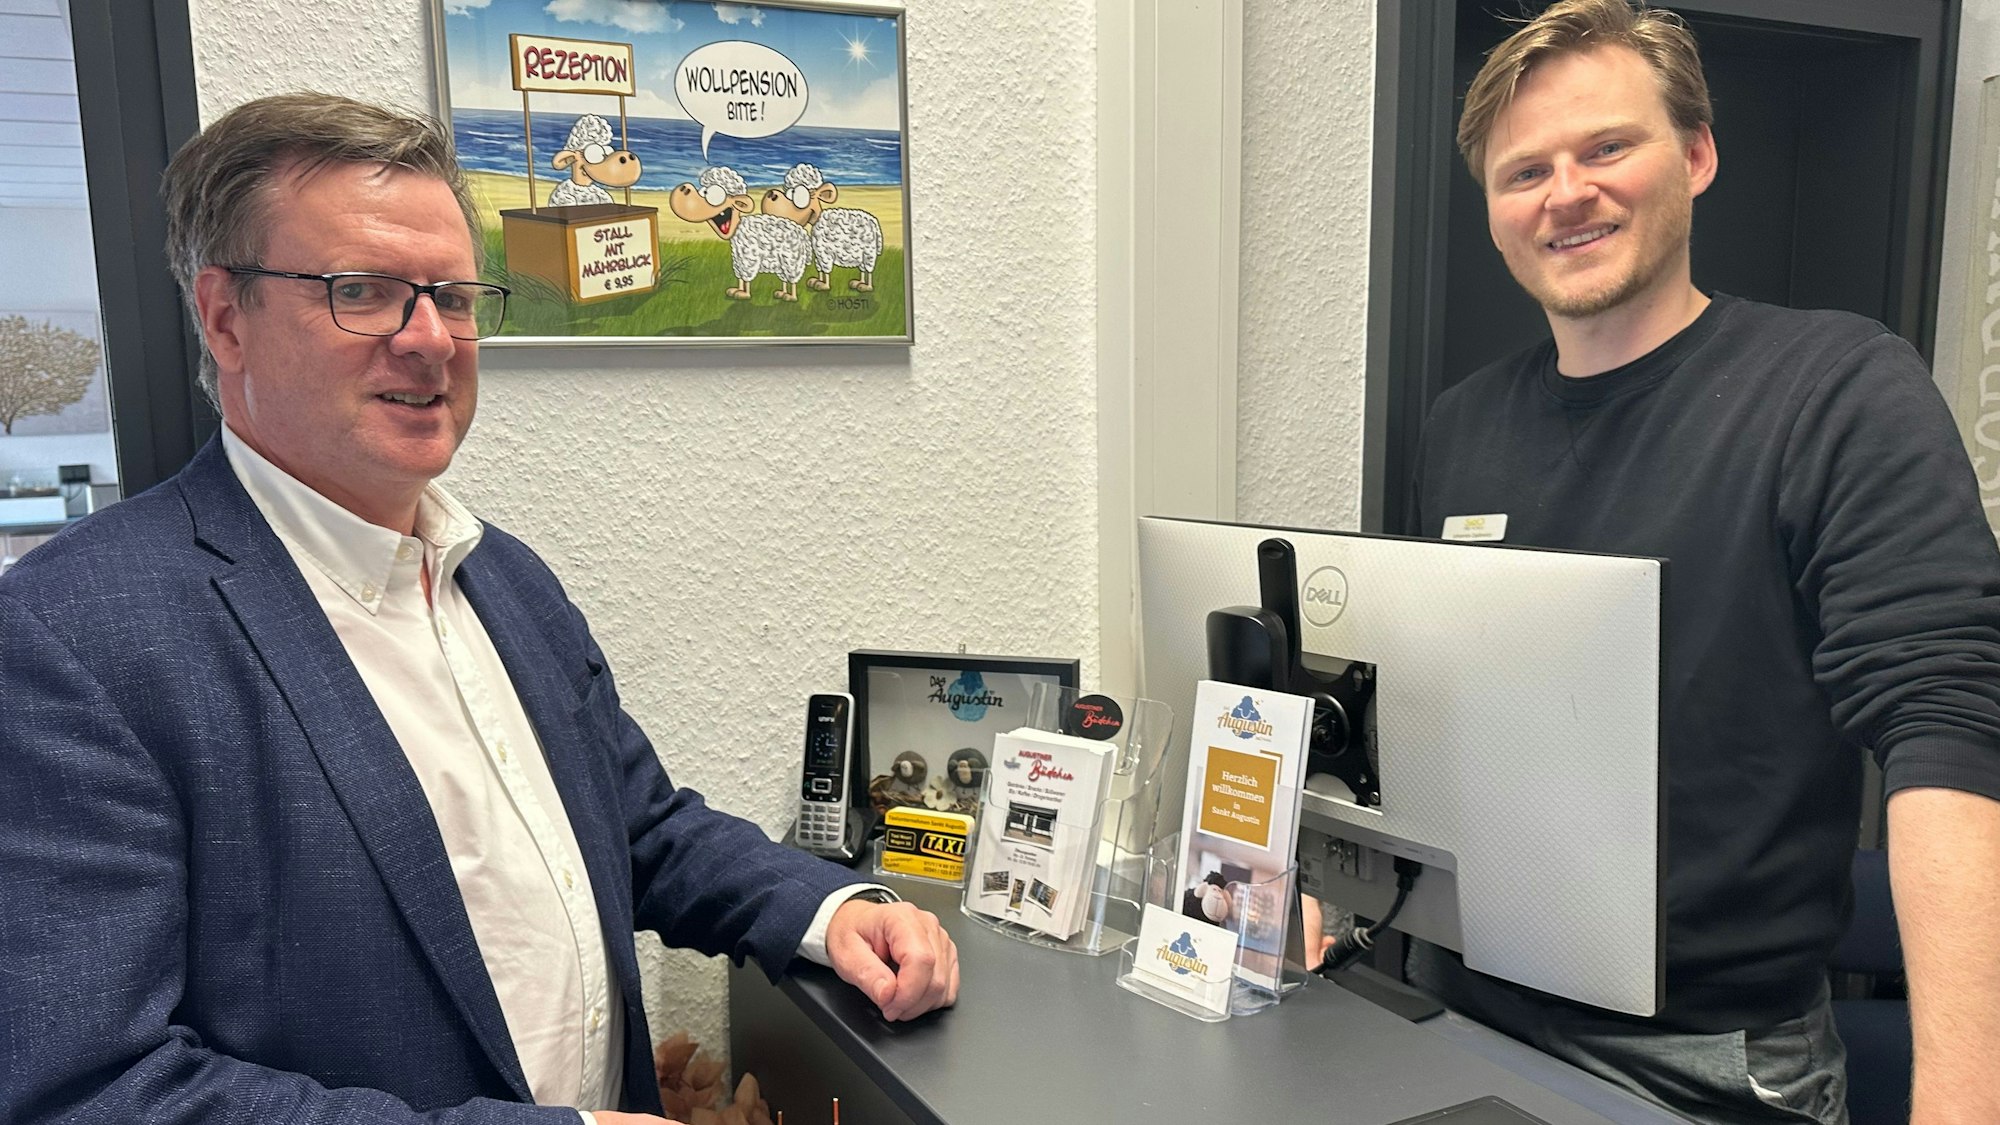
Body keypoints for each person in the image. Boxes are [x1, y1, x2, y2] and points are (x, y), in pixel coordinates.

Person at [0, 93, 957, 1125]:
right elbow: (91, 1088)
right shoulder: (77, 637)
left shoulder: (504, 579)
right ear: (226, 318)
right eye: (362, 291)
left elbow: (638, 827)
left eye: (453, 297)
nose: (429, 340)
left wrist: (826, 907)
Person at [1408, 2, 2000, 1122]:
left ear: (1695, 154)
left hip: (1707, 1060)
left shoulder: (1835, 389)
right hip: (1457, 1013)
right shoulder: (1461, 426)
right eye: (1523, 170)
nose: (1565, 193)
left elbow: (1947, 722)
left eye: (1605, 147)